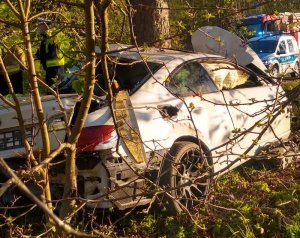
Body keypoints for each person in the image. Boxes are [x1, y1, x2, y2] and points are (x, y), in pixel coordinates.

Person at [36, 21, 65, 88]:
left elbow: (52, 54)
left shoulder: (52, 37)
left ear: (47, 27)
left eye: (41, 26)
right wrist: (37, 55)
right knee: (51, 87)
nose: (39, 29)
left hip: (55, 67)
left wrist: (39, 56)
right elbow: (43, 50)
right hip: (50, 67)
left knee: (55, 87)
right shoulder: (45, 38)